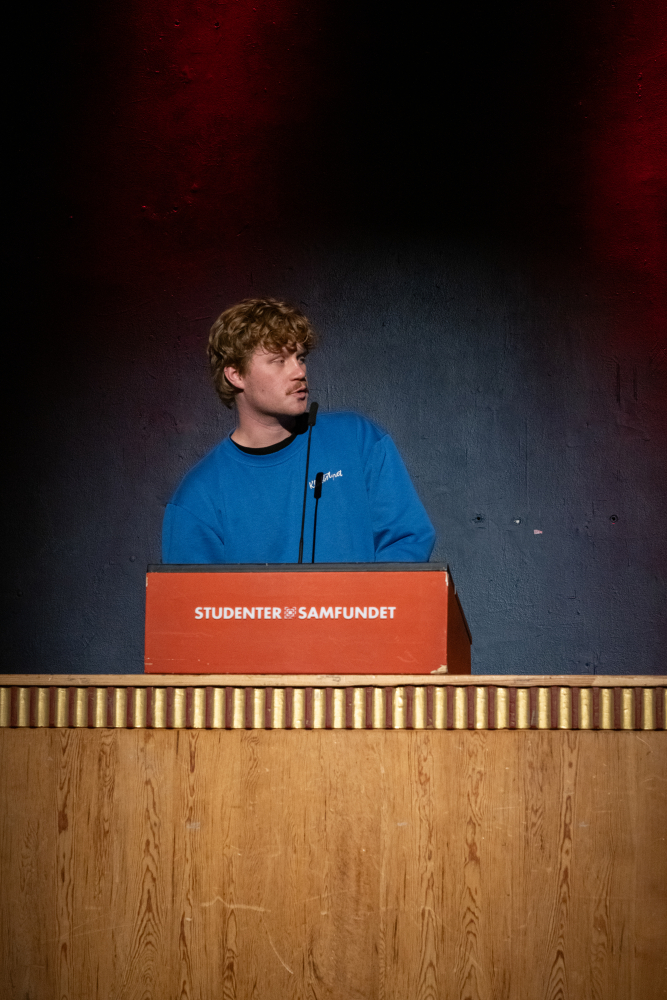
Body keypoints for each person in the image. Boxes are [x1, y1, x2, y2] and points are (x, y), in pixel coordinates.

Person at [162, 298, 435, 564]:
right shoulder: (198, 496)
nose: (299, 372)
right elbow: (191, 593)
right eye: (279, 360)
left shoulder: (356, 439)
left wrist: (361, 595)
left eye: (300, 358)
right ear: (236, 375)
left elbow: (406, 539)